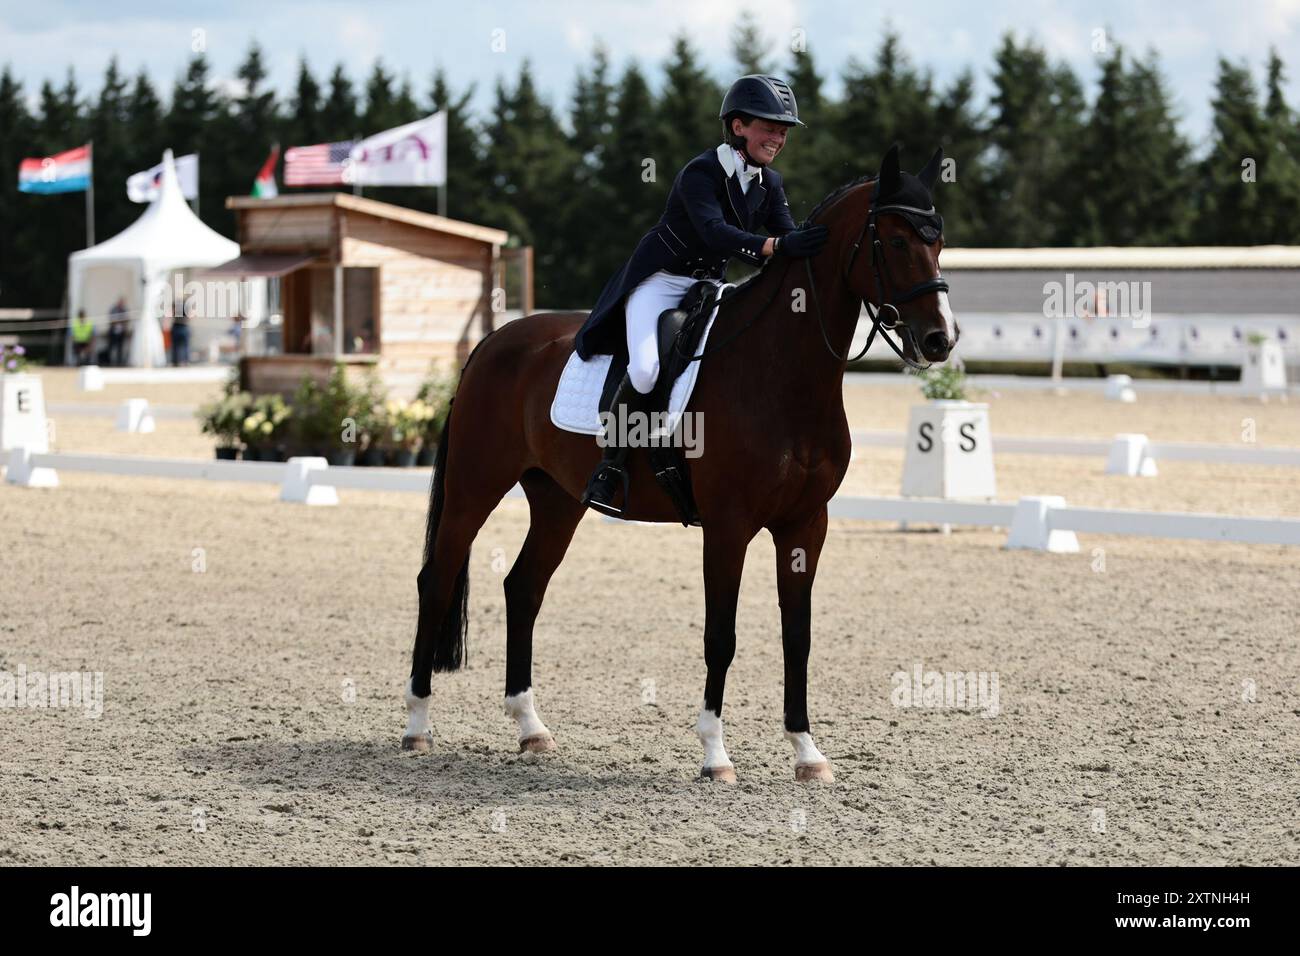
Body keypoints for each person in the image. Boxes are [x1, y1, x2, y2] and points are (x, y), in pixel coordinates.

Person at [574, 74, 829, 515]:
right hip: (659, 282)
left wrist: (811, 248)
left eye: (783, 130)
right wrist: (774, 247)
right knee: (649, 369)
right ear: (738, 127)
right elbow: (715, 233)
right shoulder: (701, 172)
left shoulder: (771, 183)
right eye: (769, 126)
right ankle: (609, 466)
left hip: (706, 289)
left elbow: (786, 238)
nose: (779, 137)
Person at [107, 297, 128, 366]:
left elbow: (126, 320)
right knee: (111, 347)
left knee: (120, 348)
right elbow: (111, 319)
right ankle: (109, 361)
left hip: (121, 332)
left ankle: (119, 362)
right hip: (113, 331)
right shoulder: (113, 309)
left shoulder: (124, 310)